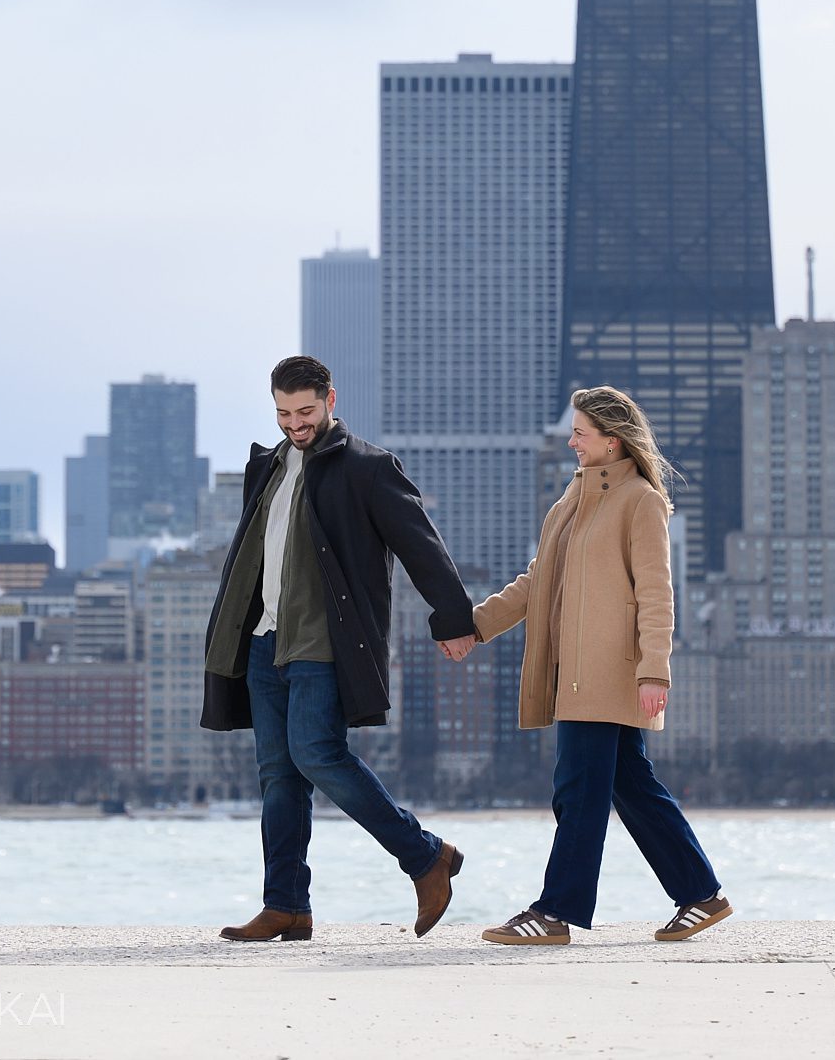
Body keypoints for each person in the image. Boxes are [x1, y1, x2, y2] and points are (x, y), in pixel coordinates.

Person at [202, 355, 478, 942]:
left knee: (317, 754)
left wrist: (453, 618)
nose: (295, 424)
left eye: (305, 412)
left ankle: (424, 855)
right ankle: (286, 904)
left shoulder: (369, 468)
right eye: (283, 413)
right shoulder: (268, 467)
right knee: (277, 773)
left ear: (331, 399)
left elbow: (420, 545)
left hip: (324, 641)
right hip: (262, 640)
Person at [457, 385, 732, 946]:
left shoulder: (640, 501)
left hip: (611, 671)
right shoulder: (572, 499)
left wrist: (655, 669)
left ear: (612, 440)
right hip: (575, 670)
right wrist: (476, 625)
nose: (571, 439)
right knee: (630, 786)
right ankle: (701, 894)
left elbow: (657, 593)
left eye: (581, 431)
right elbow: (538, 581)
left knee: (579, 789)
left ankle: (555, 912)